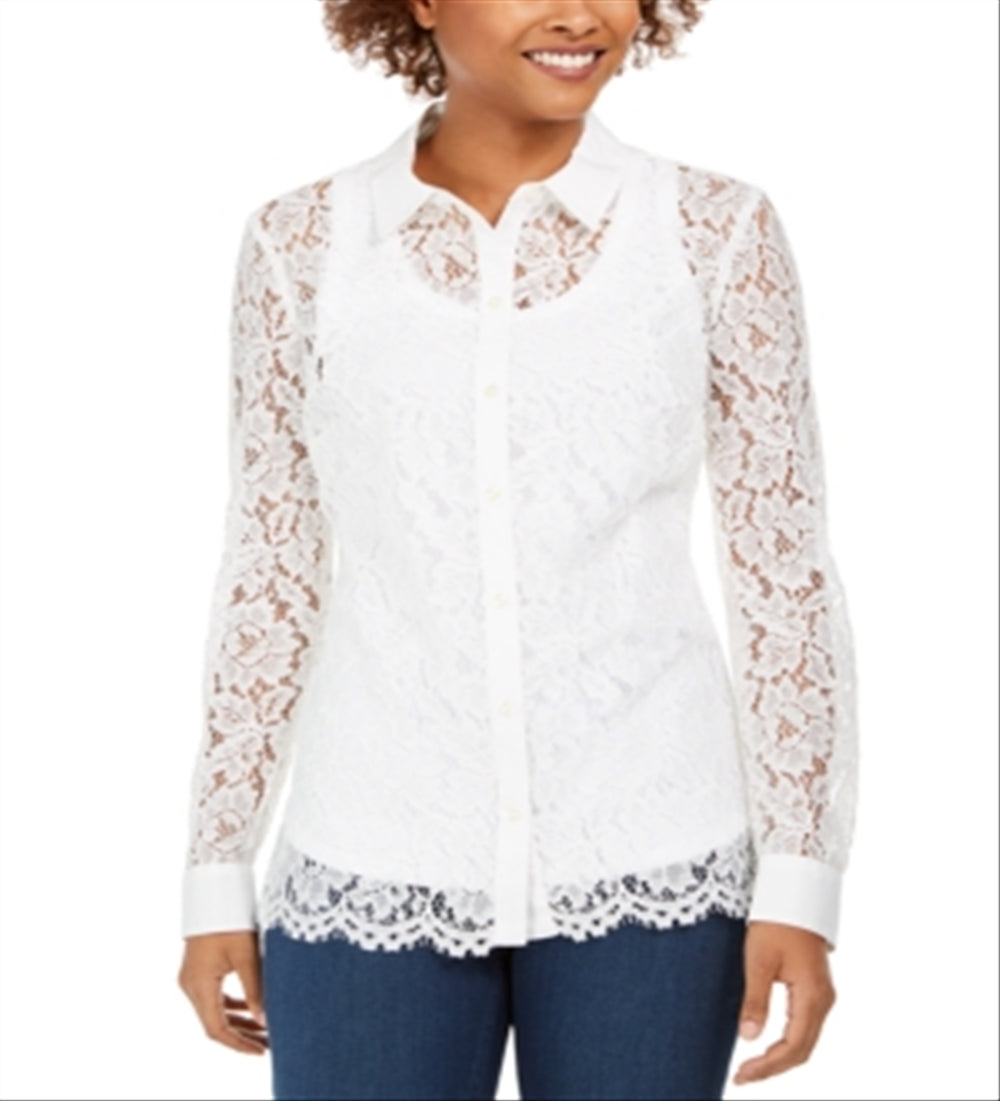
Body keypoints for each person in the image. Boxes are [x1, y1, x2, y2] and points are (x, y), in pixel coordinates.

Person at [176, 2, 860, 1098]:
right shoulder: (302, 243)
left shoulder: (712, 230)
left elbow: (782, 572)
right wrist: (216, 868)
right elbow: (272, 566)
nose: (581, 13)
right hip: (371, 846)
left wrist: (800, 879)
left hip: (652, 850)